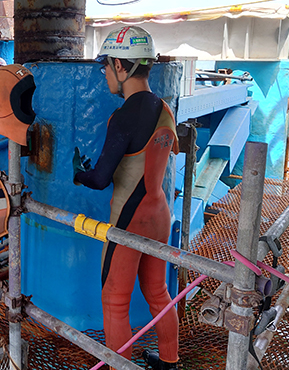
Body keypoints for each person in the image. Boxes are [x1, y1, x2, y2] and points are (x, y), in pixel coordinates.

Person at [72, 26, 180, 370]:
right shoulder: (163, 107)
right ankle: (169, 361)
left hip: (128, 219)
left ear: (122, 66)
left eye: (106, 66)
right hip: (159, 214)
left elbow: (101, 178)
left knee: (115, 301)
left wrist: (78, 171)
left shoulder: (123, 116)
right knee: (158, 293)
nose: (105, 73)